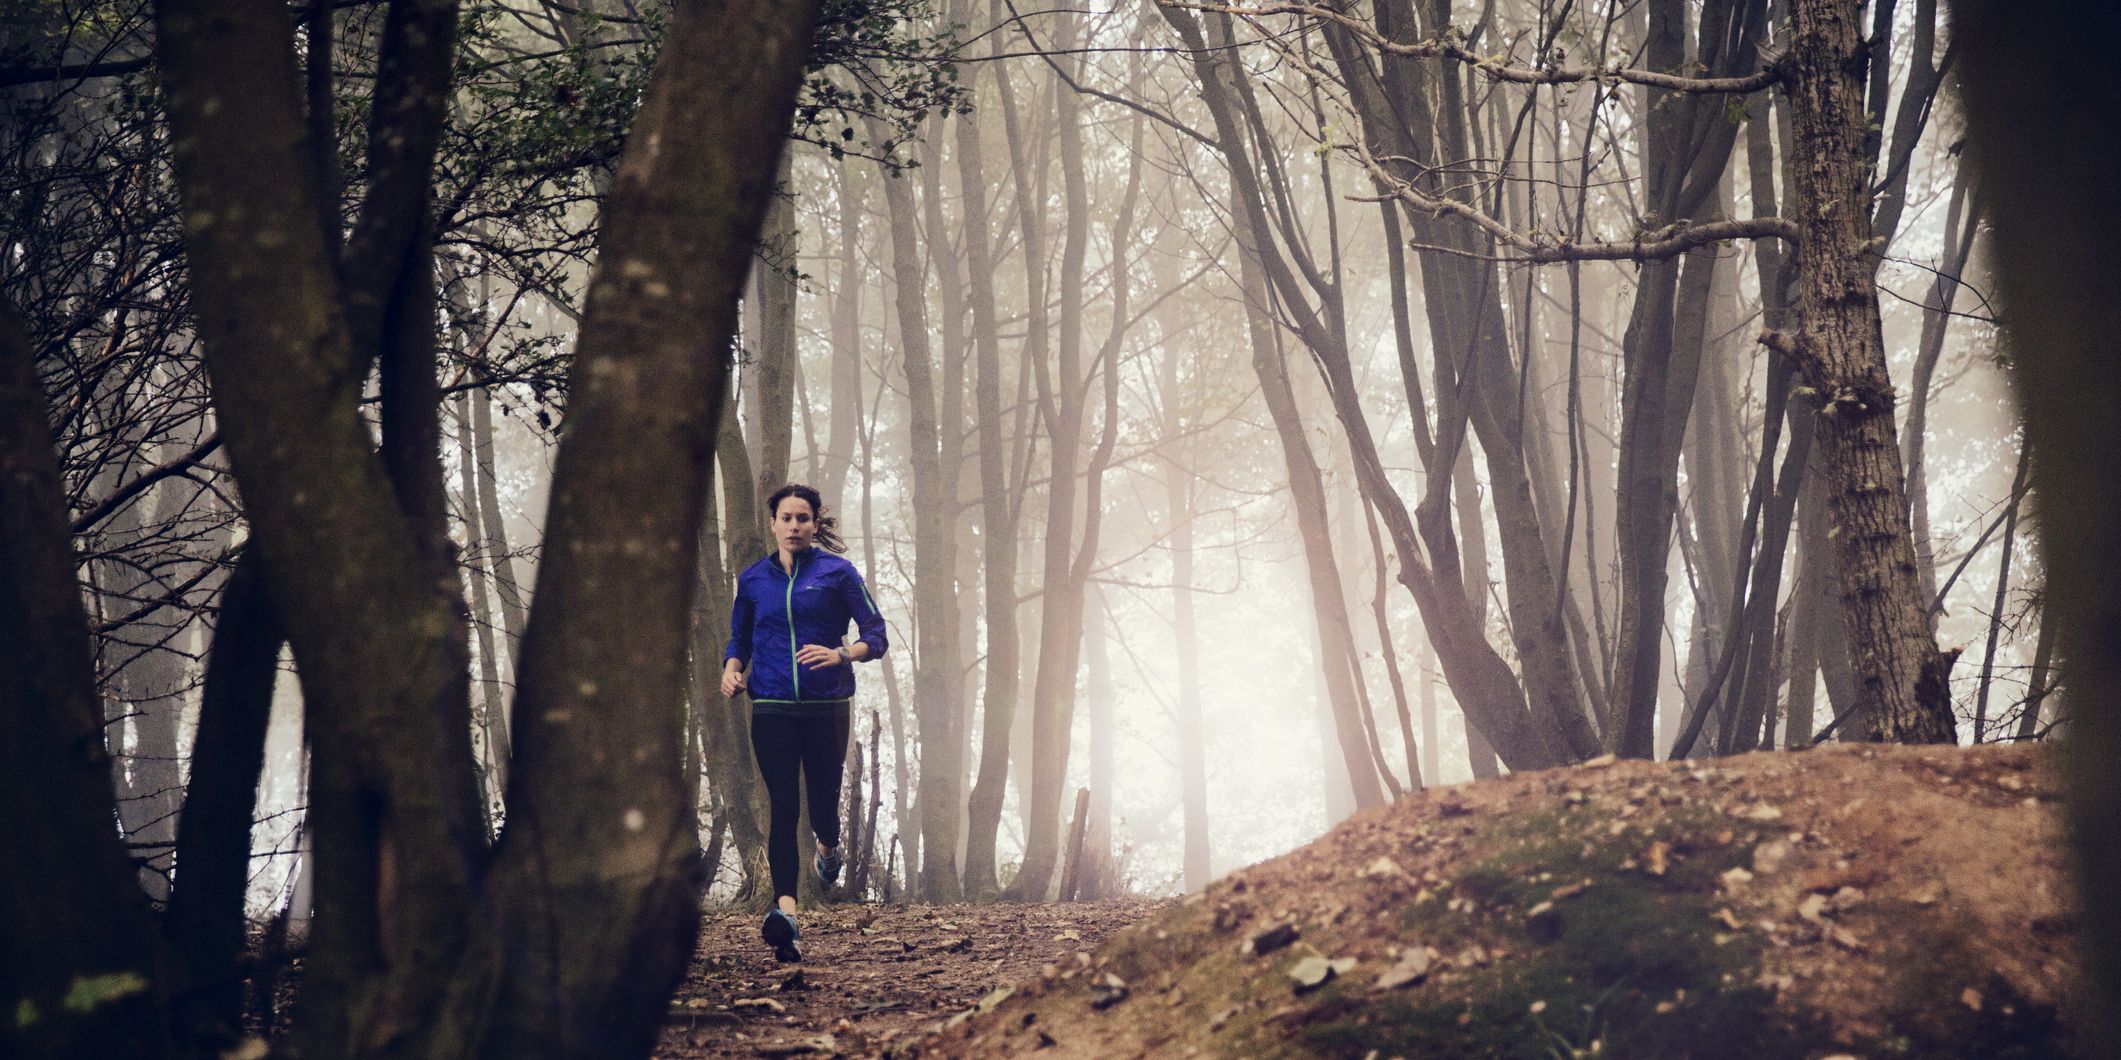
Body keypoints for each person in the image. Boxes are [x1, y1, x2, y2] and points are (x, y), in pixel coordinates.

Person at [722, 483, 887, 963]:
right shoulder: (753, 580)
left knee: (822, 805)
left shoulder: (838, 573)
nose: (794, 526)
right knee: (783, 806)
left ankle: (829, 847)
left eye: (802, 518)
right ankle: (787, 917)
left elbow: (875, 635)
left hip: (826, 707)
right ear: (772, 524)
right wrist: (732, 671)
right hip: (771, 705)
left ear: (815, 524)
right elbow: (739, 638)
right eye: (786, 518)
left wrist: (840, 653)